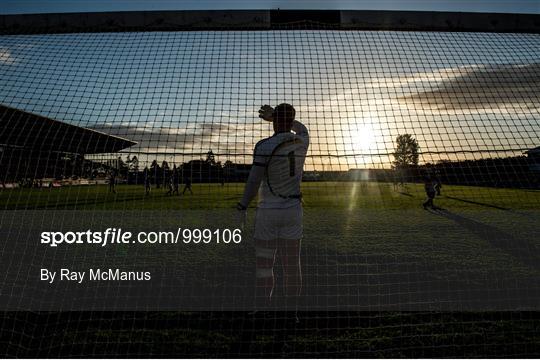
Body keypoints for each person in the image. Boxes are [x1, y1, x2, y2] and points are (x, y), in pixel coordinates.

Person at [236, 103, 309, 311]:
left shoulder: (264, 145)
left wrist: (242, 206)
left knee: (264, 266)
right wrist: (278, 117)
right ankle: (291, 312)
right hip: (293, 211)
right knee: (292, 266)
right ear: (291, 119)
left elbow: (253, 181)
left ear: (275, 120)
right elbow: (301, 127)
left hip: (268, 212)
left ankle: (262, 308)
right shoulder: (302, 140)